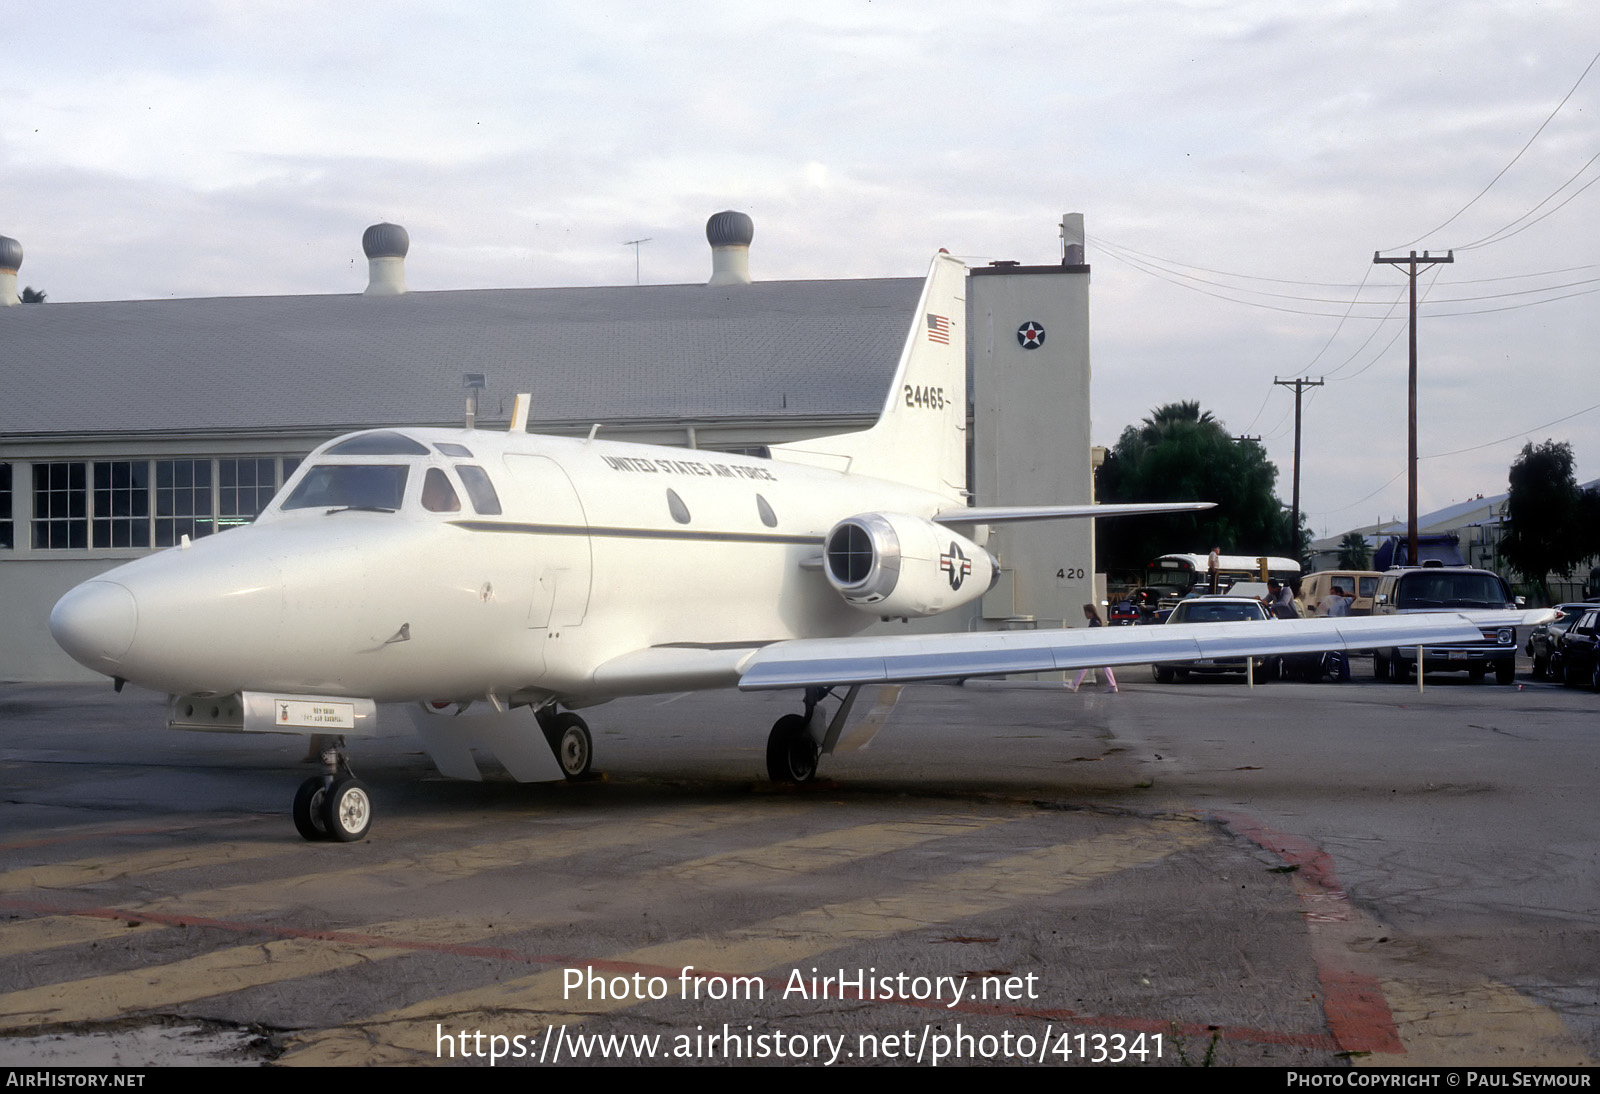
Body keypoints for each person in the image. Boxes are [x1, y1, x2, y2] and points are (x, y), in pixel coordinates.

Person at [1070, 603, 1118, 693]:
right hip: (1099, 647)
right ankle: (1112, 685)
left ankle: (1075, 685)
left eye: (1086, 613)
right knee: (1103, 665)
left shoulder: (1094, 622)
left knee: (1086, 665)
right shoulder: (1095, 621)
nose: (1085, 615)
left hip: (1096, 647)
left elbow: (1090, 634)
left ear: (1090, 613)